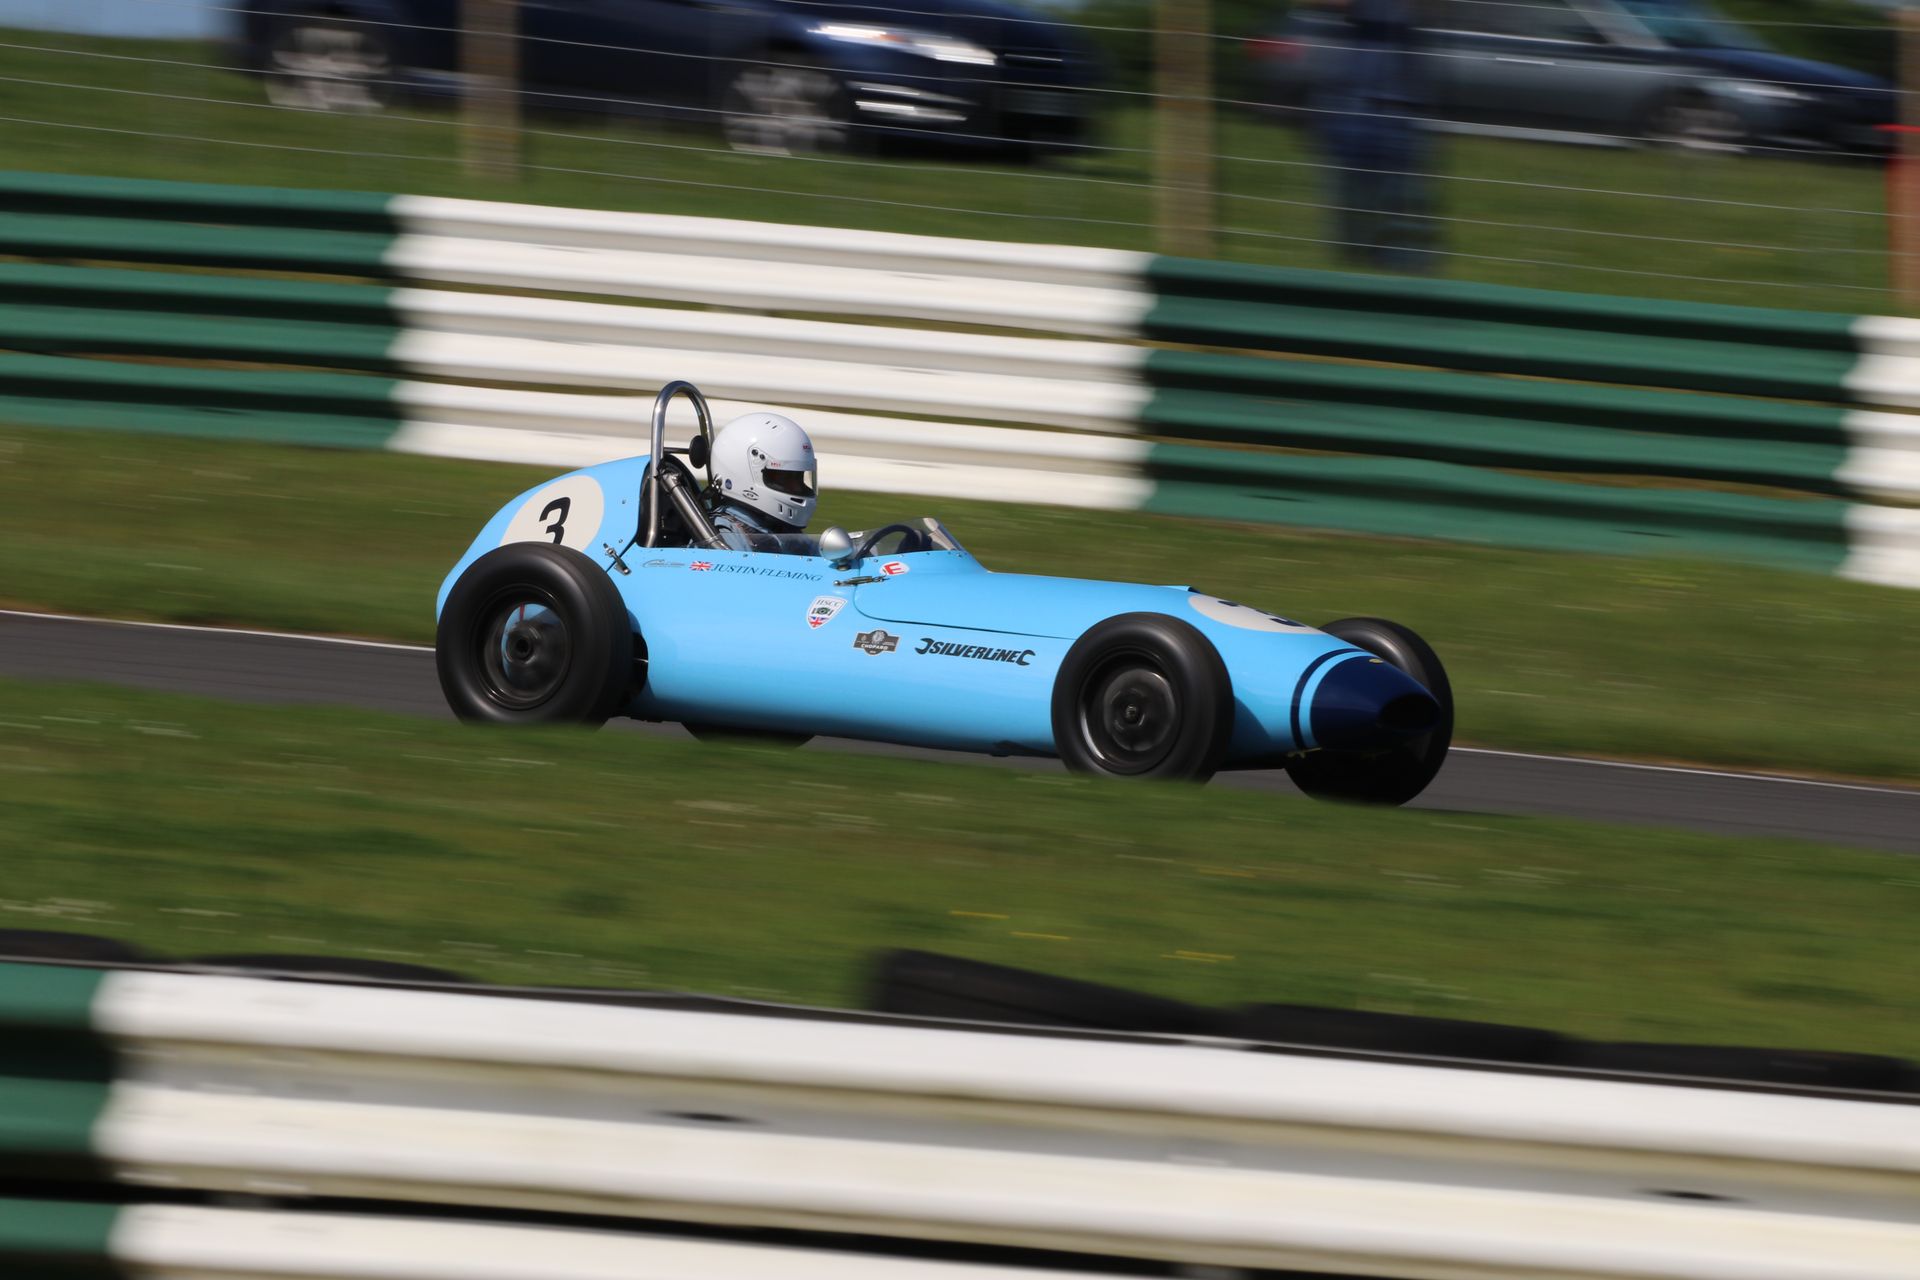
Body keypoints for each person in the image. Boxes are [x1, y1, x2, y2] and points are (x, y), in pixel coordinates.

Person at [1310, 0, 1439, 273]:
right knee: (1355, 230)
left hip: (1395, 113)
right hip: (1355, 113)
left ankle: (1401, 272)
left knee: (1403, 229)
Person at [703, 411, 819, 551]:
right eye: (785, 478)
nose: (797, 487)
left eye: (798, 479)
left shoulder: (783, 529)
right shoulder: (724, 536)